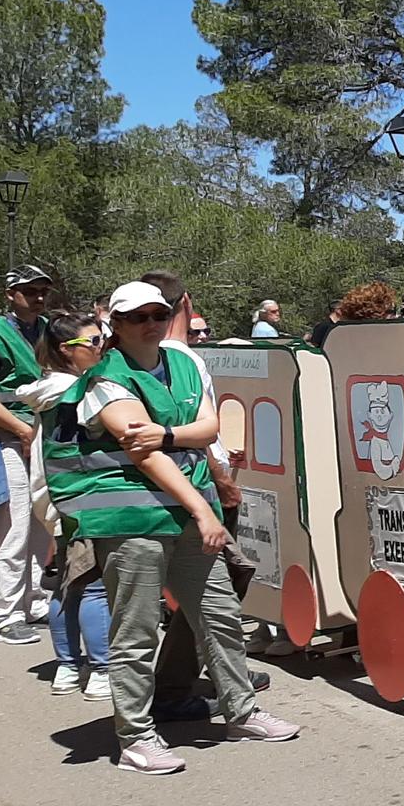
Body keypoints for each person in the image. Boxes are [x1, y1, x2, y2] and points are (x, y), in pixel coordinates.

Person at [46, 281, 301, 774]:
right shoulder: (105, 379)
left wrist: (166, 432)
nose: (151, 323)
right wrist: (204, 509)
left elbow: (207, 428)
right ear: (115, 324)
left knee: (220, 613)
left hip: (186, 512)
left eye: (158, 314)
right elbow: (144, 457)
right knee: (136, 628)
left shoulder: (181, 362)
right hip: (132, 518)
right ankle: (136, 737)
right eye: (138, 316)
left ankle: (241, 712)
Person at [142, 270, 269, 721]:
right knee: (221, 584)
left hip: (180, 487)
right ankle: (181, 685)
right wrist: (221, 481)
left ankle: (208, 675)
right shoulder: (183, 360)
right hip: (199, 486)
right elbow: (195, 434)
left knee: (206, 591)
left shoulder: (155, 357)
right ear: (187, 304)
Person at [18, 313, 110, 700]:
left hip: (52, 495)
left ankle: (68, 668)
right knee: (92, 584)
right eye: (91, 342)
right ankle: (103, 670)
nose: (100, 347)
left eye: (101, 339)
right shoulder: (74, 391)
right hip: (76, 494)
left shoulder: (48, 388)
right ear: (64, 350)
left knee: (65, 583)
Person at [0, 265, 57, 642]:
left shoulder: (48, 328)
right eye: (28, 290)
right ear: (10, 294)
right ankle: (5, 613)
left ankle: (33, 600)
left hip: (42, 436)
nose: (36, 297)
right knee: (14, 527)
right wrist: (20, 429)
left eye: (41, 291)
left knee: (40, 522)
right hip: (6, 437)